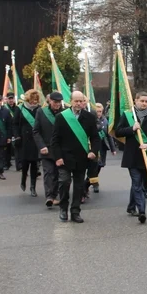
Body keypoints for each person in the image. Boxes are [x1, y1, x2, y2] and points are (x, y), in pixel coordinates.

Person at [50, 91, 101, 223]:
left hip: (82, 158)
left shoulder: (89, 117)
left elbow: (95, 138)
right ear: (71, 101)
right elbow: (55, 140)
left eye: (81, 101)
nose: (78, 103)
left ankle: (75, 211)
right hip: (65, 158)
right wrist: (58, 157)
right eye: (76, 101)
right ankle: (63, 208)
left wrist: (93, 151)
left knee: (79, 186)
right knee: (64, 183)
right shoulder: (62, 117)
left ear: (84, 102)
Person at [116, 91, 147, 224]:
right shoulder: (128, 115)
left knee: (143, 184)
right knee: (137, 183)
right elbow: (118, 132)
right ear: (135, 101)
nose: (144, 103)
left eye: (146, 101)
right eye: (142, 101)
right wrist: (132, 128)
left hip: (146, 156)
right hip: (132, 156)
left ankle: (131, 207)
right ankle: (142, 211)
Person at [33, 92, 64, 206]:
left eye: (59, 102)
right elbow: (36, 131)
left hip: (60, 149)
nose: (57, 104)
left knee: (58, 173)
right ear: (50, 101)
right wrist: (41, 146)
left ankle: (55, 194)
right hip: (46, 148)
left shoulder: (65, 112)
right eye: (55, 102)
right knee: (48, 172)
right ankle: (49, 197)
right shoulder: (41, 112)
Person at [15, 89, 42, 197]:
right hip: (23, 138)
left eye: (36, 100)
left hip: (35, 139)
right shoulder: (20, 108)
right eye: (32, 99)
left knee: (35, 164)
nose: (34, 102)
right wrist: (16, 135)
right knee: (25, 163)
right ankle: (23, 179)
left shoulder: (39, 109)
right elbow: (15, 124)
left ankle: (33, 187)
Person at [87, 102, 116, 195]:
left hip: (102, 146)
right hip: (92, 147)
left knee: (100, 165)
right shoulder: (90, 120)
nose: (98, 113)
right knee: (93, 166)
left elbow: (109, 135)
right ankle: (93, 183)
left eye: (100, 111)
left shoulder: (105, 120)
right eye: (97, 111)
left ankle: (92, 180)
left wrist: (113, 149)